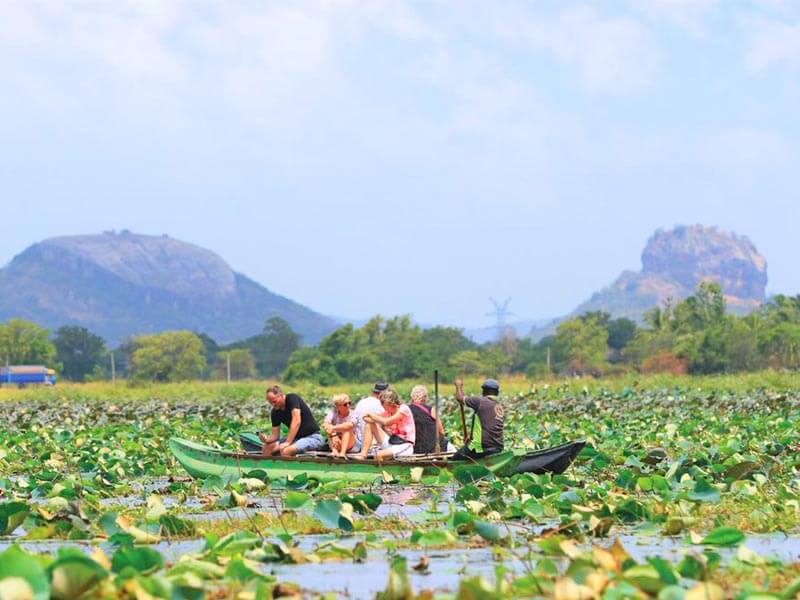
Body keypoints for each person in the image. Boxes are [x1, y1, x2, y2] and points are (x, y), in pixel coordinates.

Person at [259, 385, 325, 456]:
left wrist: (288, 442)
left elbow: (297, 421)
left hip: (312, 437)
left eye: (274, 401)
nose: (273, 405)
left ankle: (286, 466)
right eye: (270, 402)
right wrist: (267, 439)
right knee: (267, 447)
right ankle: (266, 467)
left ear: (281, 395)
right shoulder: (275, 412)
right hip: (296, 439)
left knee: (286, 450)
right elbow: (275, 436)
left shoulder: (292, 398)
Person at [452, 378, 505, 461]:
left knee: (455, 459)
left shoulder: (480, 401)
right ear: (497, 392)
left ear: (483, 391)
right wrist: (470, 437)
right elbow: (487, 425)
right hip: (497, 448)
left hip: (481, 447)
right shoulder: (499, 406)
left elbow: (460, 398)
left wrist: (458, 385)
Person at [356, 388, 416, 460]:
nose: (381, 405)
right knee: (369, 424)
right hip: (392, 442)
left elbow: (386, 422)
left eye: (382, 402)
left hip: (404, 445)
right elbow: (366, 418)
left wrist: (371, 414)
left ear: (389, 401)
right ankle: (363, 455)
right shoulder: (387, 413)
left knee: (378, 455)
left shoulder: (403, 409)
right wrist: (370, 417)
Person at [408, 384, 454, 454]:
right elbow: (441, 431)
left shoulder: (406, 410)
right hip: (436, 447)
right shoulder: (431, 410)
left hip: (417, 449)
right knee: (454, 451)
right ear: (425, 397)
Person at [322, 393, 363, 458]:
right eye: (345, 404)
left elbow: (350, 425)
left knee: (346, 429)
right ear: (338, 406)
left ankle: (342, 453)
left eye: (349, 403)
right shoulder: (333, 413)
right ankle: (334, 451)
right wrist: (334, 434)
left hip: (353, 445)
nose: (348, 405)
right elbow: (325, 424)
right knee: (330, 429)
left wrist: (333, 428)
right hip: (337, 442)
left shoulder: (354, 414)